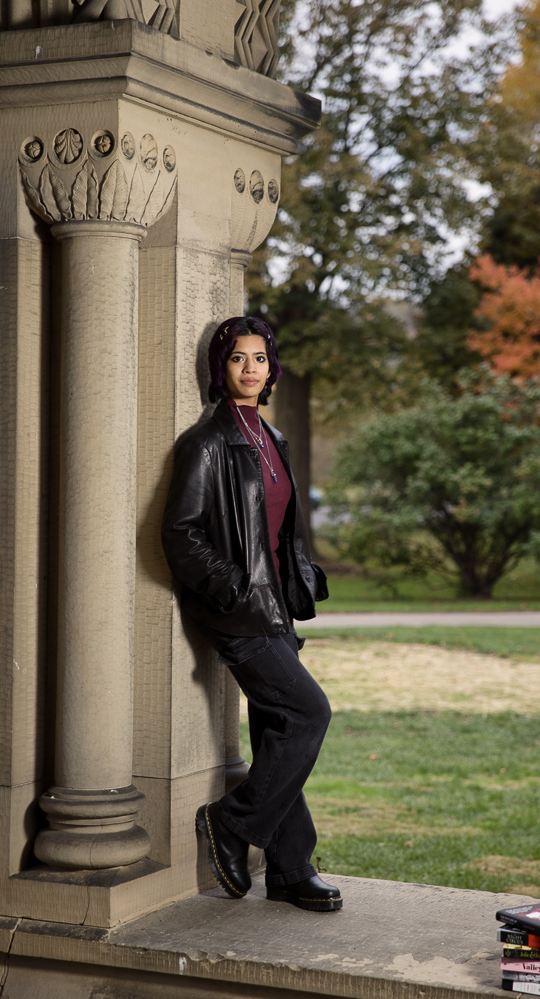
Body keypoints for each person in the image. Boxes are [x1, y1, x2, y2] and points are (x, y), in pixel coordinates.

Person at [161, 315, 341, 912]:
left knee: (275, 728)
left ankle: (290, 868)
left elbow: (280, 525)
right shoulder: (206, 443)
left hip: (273, 606)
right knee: (309, 712)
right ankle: (233, 824)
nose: (249, 369)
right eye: (238, 358)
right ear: (222, 368)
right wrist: (237, 591)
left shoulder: (273, 438)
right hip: (239, 611)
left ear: (272, 369)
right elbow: (182, 536)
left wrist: (297, 578)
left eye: (259, 359)